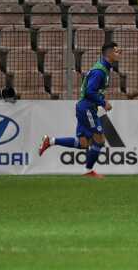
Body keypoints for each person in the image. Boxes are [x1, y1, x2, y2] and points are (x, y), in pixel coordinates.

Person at [38, 42, 121, 179]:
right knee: (100, 140)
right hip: (87, 108)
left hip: (85, 107)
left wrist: (100, 100)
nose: (119, 54)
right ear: (109, 53)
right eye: (117, 51)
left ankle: (50, 141)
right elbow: (89, 92)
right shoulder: (100, 71)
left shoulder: (103, 68)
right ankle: (88, 170)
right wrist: (103, 102)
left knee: (84, 144)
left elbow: (93, 90)